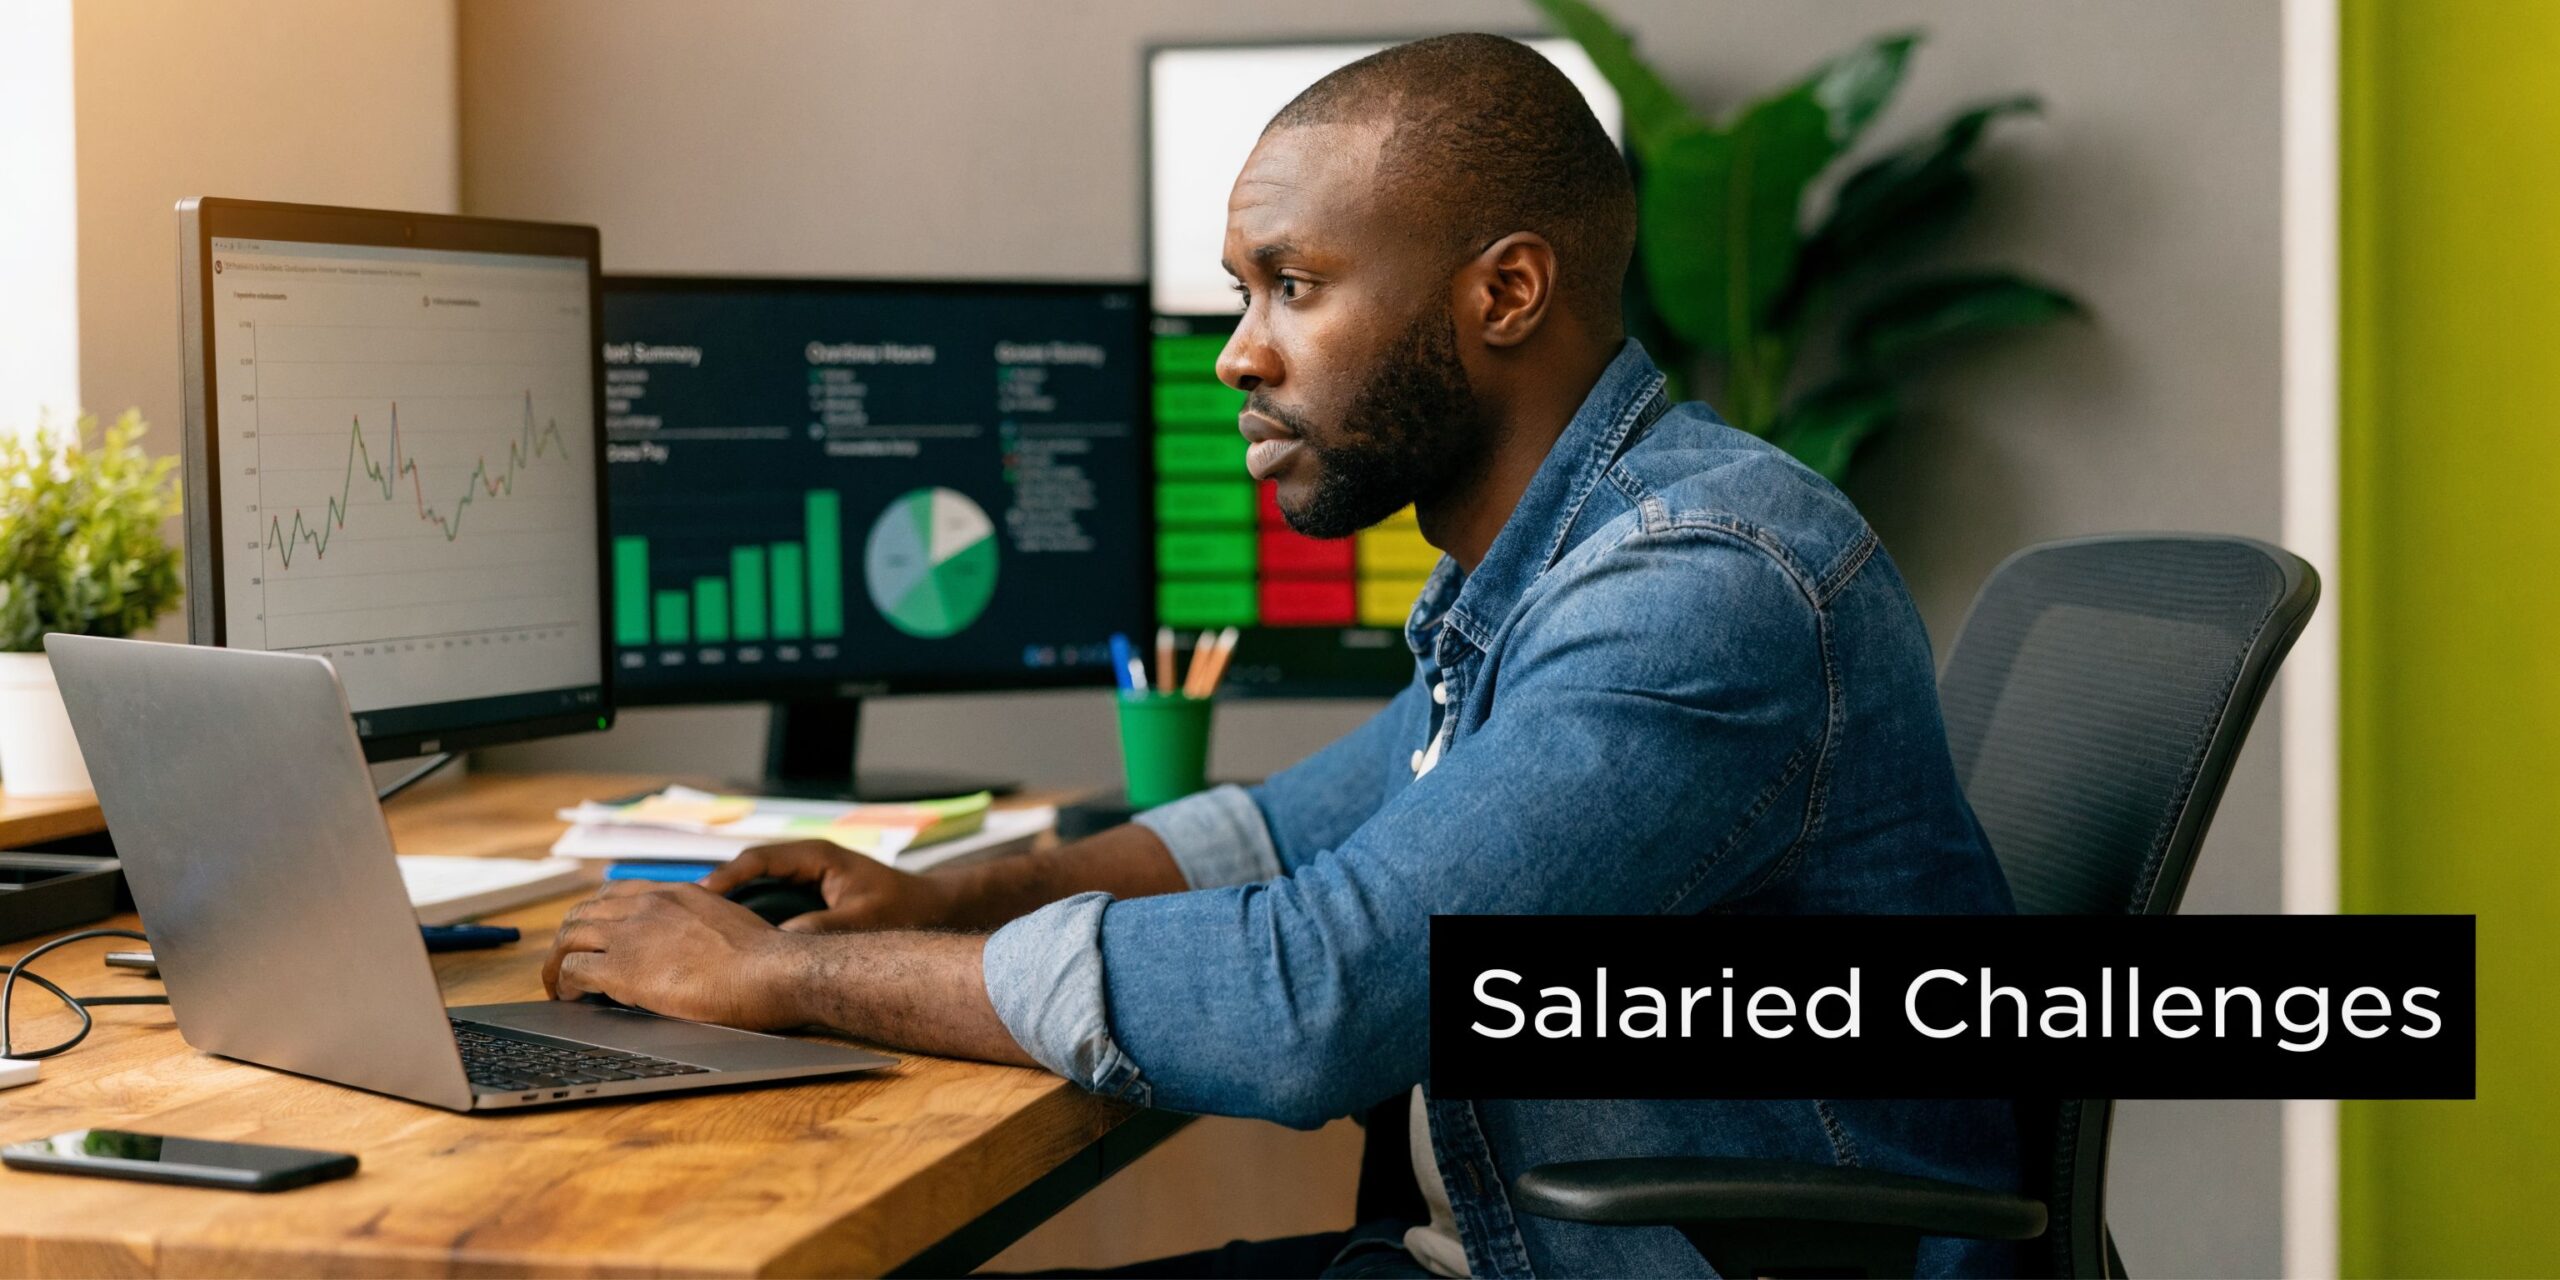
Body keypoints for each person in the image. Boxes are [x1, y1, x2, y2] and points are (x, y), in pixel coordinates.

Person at [544, 33, 2019, 1278]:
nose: (1236, 353)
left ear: (1503, 293)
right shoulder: (1545, 574)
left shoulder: (1696, 589)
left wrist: (800, 980)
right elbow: (1277, 834)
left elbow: (1316, 1000)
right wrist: (945, 897)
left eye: (1292, 286)